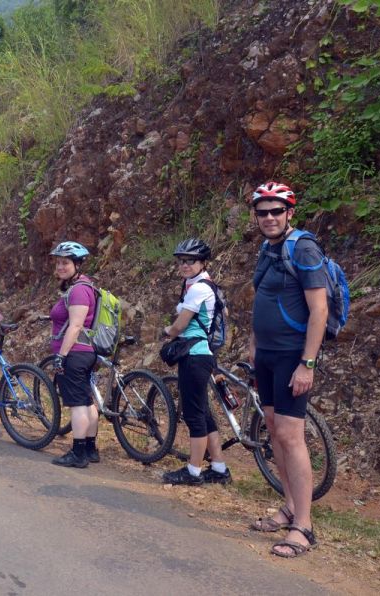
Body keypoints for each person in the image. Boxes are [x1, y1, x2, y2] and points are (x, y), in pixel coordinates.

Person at [248, 181, 326, 558]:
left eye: (276, 211)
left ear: (289, 213)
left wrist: (307, 364)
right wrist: (253, 343)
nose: (269, 218)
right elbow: (263, 296)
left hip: (292, 356)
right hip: (266, 356)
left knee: (292, 437)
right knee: (276, 432)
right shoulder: (267, 248)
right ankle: (290, 506)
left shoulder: (304, 247)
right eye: (262, 212)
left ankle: (304, 527)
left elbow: (319, 311)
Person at [161, 239, 230, 485]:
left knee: (194, 415)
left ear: (203, 263)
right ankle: (219, 468)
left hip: (195, 356)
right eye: (181, 261)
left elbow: (180, 325)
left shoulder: (200, 288)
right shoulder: (199, 285)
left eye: (191, 260)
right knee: (203, 412)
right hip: (201, 355)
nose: (185, 265)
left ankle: (193, 471)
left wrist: (167, 331)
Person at [47, 241, 100, 468]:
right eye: (58, 262)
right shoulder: (84, 286)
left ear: (77, 264)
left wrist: (62, 355)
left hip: (76, 353)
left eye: (65, 262)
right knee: (88, 402)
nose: (60, 266)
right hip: (86, 353)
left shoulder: (78, 290)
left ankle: (78, 453)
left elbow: (76, 326)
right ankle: (90, 448)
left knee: (78, 404)